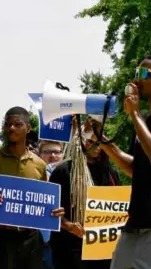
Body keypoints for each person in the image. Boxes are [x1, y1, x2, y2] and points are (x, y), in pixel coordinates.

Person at [0, 106, 65, 269]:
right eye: (8, 124)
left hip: (32, 239)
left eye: (17, 124)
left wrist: (55, 213)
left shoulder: (40, 165)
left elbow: (43, 204)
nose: (11, 128)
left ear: (28, 128)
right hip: (1, 238)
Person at [98, 57, 151, 269]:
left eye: (146, 75)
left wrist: (135, 114)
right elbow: (135, 168)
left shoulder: (140, 119)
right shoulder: (144, 121)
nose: (138, 80)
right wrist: (103, 144)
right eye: (137, 74)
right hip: (135, 223)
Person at [49, 123, 120, 269]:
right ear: (80, 141)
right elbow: (50, 210)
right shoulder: (63, 171)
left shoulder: (110, 173)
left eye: (100, 143)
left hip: (102, 249)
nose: (97, 147)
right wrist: (68, 225)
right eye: (91, 142)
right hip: (70, 248)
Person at [37, 140, 65, 269]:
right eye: (47, 152)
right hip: (38, 241)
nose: (52, 156)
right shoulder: (31, 175)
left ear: (63, 154)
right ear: (39, 154)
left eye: (57, 152)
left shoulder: (72, 176)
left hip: (63, 241)